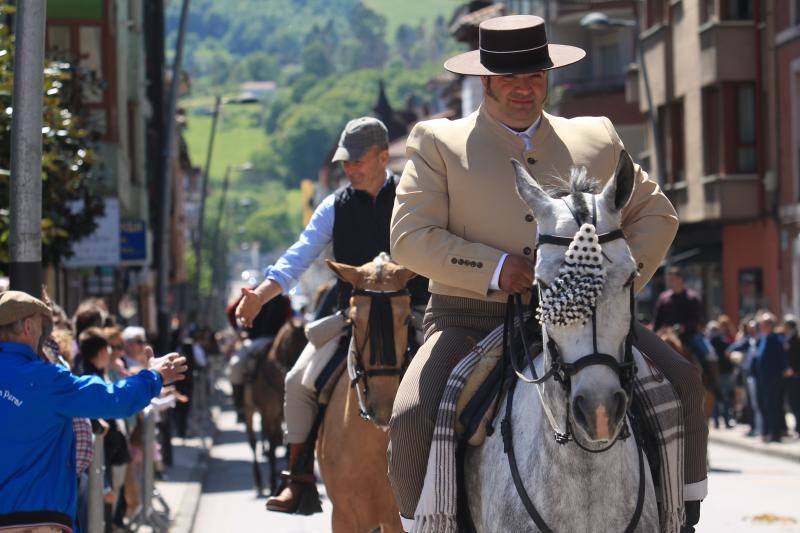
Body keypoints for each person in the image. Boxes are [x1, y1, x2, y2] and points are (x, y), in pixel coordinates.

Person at [388, 15, 707, 532]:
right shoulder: (437, 142)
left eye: (534, 75)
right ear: (485, 81)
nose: (524, 88)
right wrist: (495, 268)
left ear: (548, 77)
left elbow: (657, 215)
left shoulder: (597, 137)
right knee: (412, 414)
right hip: (470, 318)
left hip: (589, 318)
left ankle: (681, 516)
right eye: (510, 78)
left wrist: (607, 283)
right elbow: (408, 239)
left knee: (684, 382)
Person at [236, 116, 429, 514]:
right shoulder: (334, 206)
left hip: (411, 317)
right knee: (297, 381)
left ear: (381, 157)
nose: (350, 169)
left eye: (358, 161)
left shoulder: (414, 197)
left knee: (457, 382)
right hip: (352, 320)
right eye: (346, 162)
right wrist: (260, 295)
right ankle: (299, 479)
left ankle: (464, 477)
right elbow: (298, 257)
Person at [0, 291, 187, 532]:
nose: (44, 331)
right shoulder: (45, 379)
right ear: (27, 326)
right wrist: (154, 376)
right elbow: (112, 399)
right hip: (37, 517)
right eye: (40, 323)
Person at [653, 267, 710, 364]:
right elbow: (657, 321)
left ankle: (708, 377)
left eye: (672, 279)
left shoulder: (692, 298)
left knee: (706, 353)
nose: (670, 282)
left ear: (680, 279)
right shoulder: (663, 298)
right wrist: (655, 332)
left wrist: (683, 327)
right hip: (667, 333)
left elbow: (697, 320)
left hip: (688, 335)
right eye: (669, 280)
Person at [753, 312, 789, 443]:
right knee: (764, 405)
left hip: (773, 379)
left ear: (769, 325)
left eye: (763, 323)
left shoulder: (775, 339)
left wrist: (785, 369)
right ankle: (767, 431)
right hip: (762, 378)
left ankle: (775, 433)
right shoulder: (763, 338)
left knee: (773, 406)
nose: (760, 326)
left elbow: (782, 358)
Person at [784, 315, 800, 438]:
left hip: (795, 376)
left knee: (796, 402)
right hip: (791, 376)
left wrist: (794, 370)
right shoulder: (787, 339)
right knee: (793, 403)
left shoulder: (796, 339)